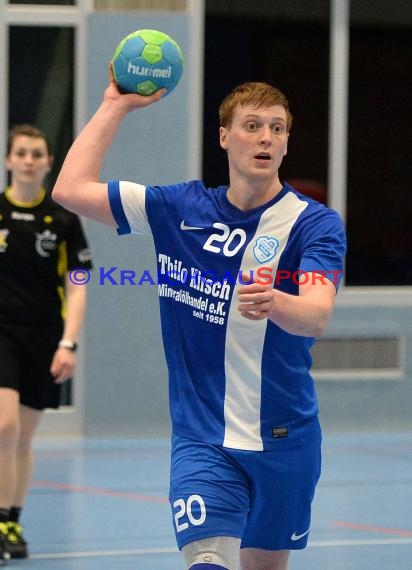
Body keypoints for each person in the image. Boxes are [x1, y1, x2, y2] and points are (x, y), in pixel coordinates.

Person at [52, 71, 346, 570]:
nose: (266, 137)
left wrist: (275, 301)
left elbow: (316, 315)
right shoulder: (179, 209)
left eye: (277, 128)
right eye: (252, 125)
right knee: (209, 560)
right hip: (202, 437)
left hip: (283, 436)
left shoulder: (314, 224)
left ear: (287, 142)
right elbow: (70, 189)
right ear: (224, 137)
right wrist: (114, 107)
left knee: (263, 565)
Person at [0, 124, 92, 563]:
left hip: (44, 336)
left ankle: (11, 522)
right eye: (22, 153)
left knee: (22, 438)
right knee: (4, 427)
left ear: (49, 162)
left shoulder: (64, 219)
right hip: (1, 333)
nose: (30, 160)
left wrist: (68, 343)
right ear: (9, 160)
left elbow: (77, 285)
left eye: (38, 153)